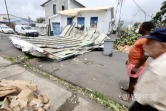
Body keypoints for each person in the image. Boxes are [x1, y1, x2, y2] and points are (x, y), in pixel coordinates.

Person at [129, 27, 166, 111]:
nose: (144, 45)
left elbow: (147, 98)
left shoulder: (159, 68)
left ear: (163, 46)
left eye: (149, 43)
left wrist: (138, 91)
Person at [119, 21, 155, 102]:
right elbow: (137, 51)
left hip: (136, 64)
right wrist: (129, 60)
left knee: (133, 82)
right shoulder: (142, 37)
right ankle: (129, 90)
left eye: (140, 27)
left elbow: (146, 55)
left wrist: (136, 67)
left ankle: (129, 98)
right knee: (132, 80)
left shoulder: (146, 39)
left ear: (145, 28)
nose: (139, 28)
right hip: (132, 62)